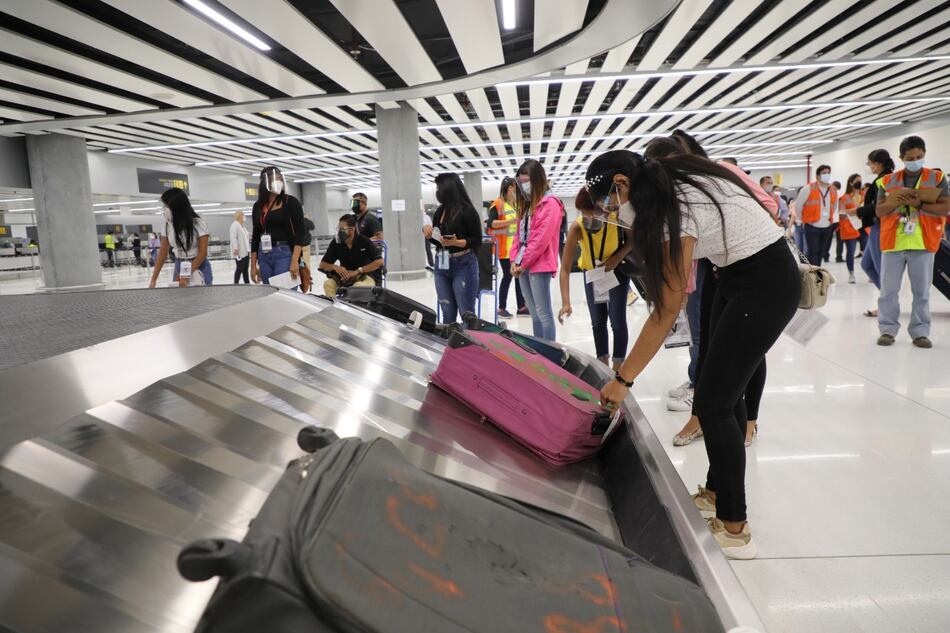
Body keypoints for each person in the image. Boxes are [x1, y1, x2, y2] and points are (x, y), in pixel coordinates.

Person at [591, 150, 799, 560]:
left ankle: (735, 528)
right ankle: (718, 493)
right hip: (734, 274)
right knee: (720, 391)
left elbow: (665, 311)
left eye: (610, 201)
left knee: (713, 404)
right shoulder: (671, 181)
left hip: (765, 281)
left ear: (622, 183)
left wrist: (622, 379)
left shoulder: (674, 206)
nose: (613, 211)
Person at [875, 135, 950, 348]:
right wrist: (895, 202)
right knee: (888, 291)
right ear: (901, 158)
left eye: (919, 156)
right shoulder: (887, 181)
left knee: (922, 292)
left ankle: (920, 332)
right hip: (893, 243)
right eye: (910, 158)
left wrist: (919, 205)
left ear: (924, 154)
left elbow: (945, 208)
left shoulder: (936, 178)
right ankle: (887, 330)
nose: (915, 160)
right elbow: (879, 211)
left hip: (923, 243)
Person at [558, 187, 633, 371]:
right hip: (592, 275)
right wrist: (566, 302)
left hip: (616, 273)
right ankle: (603, 367)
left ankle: (617, 369)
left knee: (617, 320)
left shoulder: (616, 219)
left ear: (601, 209)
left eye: (591, 213)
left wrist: (616, 258)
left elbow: (633, 240)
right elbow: (565, 269)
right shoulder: (577, 226)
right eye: (584, 214)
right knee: (598, 322)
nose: (588, 218)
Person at [511, 159, 563, 341]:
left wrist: (522, 263)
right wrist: (513, 260)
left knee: (544, 314)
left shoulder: (551, 204)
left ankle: (550, 355)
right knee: (534, 313)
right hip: (523, 264)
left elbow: (540, 239)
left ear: (537, 180)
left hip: (539, 265)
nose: (523, 186)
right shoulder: (527, 206)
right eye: (521, 182)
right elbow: (518, 236)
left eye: (526, 181)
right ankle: (539, 352)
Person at [423, 173, 482, 323]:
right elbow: (438, 241)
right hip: (442, 265)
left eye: (439, 188)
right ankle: (449, 346)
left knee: (466, 314)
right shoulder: (440, 212)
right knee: (447, 314)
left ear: (448, 189)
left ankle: (467, 346)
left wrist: (456, 243)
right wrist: (429, 234)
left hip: (464, 264)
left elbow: (476, 240)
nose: (437, 192)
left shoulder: (468, 211)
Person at [250, 166, 306, 286]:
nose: (278, 180)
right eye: (275, 178)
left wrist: (295, 260)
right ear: (265, 182)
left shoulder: (290, 202)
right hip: (263, 255)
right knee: (271, 294)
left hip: (285, 254)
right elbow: (255, 236)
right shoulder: (257, 206)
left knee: (286, 294)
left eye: (280, 177)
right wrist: (253, 265)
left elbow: (300, 232)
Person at [148, 187, 212, 288]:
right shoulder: (167, 225)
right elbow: (163, 252)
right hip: (179, 264)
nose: (164, 209)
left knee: (202, 299)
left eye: (166, 205)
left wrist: (186, 274)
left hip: (199, 265)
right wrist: (153, 279)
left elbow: (203, 253)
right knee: (180, 300)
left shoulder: (198, 224)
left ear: (176, 206)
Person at [857, 149, 895, 317]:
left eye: (869, 163)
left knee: (881, 269)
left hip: (880, 227)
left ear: (877, 164)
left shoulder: (885, 180)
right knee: (867, 265)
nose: (868, 166)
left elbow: (877, 205)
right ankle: (888, 301)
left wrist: (857, 211)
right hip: (875, 227)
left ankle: (888, 306)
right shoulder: (882, 179)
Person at [487, 177, 526, 318]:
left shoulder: (514, 204)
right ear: (510, 188)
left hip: (515, 249)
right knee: (508, 276)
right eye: (515, 188)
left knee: (518, 275)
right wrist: (511, 221)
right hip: (503, 249)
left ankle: (521, 307)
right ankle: (501, 308)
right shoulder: (498, 204)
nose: (517, 191)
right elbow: (491, 224)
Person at [318, 214, 384, 296]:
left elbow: (380, 262)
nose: (339, 232)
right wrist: (336, 267)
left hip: (364, 277)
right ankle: (335, 305)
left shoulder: (364, 241)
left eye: (342, 229)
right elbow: (323, 265)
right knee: (328, 284)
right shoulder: (335, 243)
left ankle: (353, 307)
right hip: (345, 279)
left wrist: (358, 271)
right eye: (338, 229)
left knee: (357, 287)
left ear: (352, 230)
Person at [795, 165, 838, 266]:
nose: (826, 175)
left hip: (827, 225)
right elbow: (798, 206)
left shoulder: (833, 189)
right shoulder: (808, 188)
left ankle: (818, 271)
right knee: (813, 252)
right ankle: (814, 275)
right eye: (824, 173)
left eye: (828, 172)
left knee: (821, 252)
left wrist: (828, 218)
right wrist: (804, 219)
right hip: (812, 225)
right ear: (818, 176)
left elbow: (834, 205)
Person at [837, 174, 864, 284]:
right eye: (857, 181)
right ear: (851, 183)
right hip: (850, 227)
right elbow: (842, 214)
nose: (859, 183)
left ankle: (872, 272)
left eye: (860, 181)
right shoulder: (844, 198)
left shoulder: (864, 195)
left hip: (864, 226)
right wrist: (856, 210)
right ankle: (851, 274)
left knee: (868, 250)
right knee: (851, 251)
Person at [229, 210, 251, 284]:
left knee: (245, 269)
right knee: (239, 268)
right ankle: (235, 283)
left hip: (246, 251)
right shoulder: (235, 225)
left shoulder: (242, 227)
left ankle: (247, 284)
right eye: (243, 215)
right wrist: (235, 249)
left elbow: (247, 235)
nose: (244, 217)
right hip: (239, 252)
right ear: (239, 216)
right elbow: (233, 238)